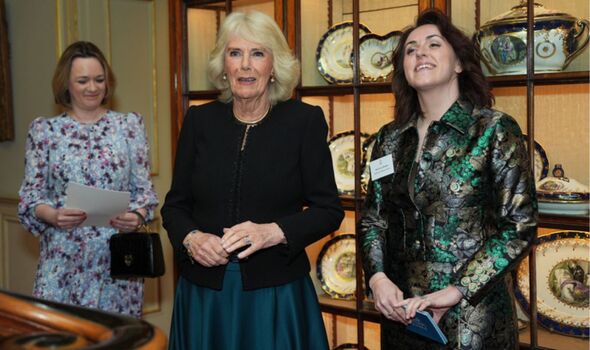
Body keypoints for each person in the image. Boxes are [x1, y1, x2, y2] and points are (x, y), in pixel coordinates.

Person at [161, 10, 344, 350]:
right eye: (235, 53)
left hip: (275, 296)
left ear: (274, 66)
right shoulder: (200, 120)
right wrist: (191, 238)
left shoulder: (304, 121)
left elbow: (328, 210)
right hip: (204, 296)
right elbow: (174, 207)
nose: (245, 65)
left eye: (257, 53)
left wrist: (272, 232)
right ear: (224, 65)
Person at [359, 9, 537, 349]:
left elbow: (519, 225)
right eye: (410, 50)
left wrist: (457, 290)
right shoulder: (389, 139)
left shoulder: (494, 129)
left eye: (433, 44)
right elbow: (374, 218)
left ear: (458, 64)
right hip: (404, 314)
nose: (419, 53)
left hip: (473, 314)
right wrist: (378, 278)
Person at [18, 41, 158, 318]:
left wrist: (138, 216)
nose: (92, 88)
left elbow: (145, 194)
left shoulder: (129, 126)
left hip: (119, 266)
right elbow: (30, 198)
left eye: (99, 80)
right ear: (66, 84)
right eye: (82, 80)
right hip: (61, 263)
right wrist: (54, 215)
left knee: (115, 341)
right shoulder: (45, 131)